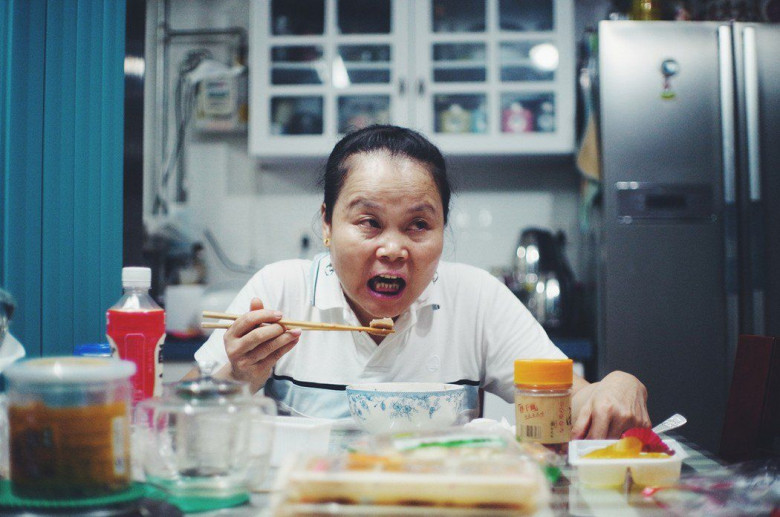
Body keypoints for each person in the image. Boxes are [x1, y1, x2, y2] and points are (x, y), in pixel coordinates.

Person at [189, 125, 650, 439]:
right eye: (369, 222)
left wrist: (615, 385)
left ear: (443, 229)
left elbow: (570, 398)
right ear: (327, 224)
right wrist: (238, 376)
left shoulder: (476, 298)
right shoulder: (280, 291)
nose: (393, 249)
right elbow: (176, 416)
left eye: (418, 225)